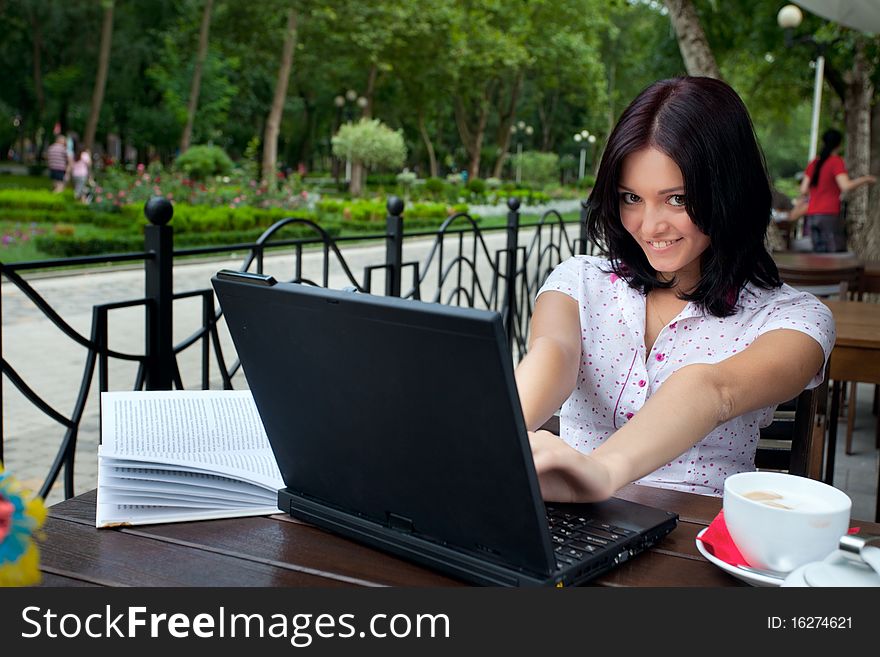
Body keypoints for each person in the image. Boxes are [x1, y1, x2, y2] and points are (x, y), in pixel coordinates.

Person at [515, 76, 835, 504]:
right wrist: (495, 442)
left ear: (729, 193)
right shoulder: (580, 280)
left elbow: (712, 389)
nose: (649, 226)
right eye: (631, 197)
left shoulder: (795, 320)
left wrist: (597, 473)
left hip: (693, 544)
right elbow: (552, 354)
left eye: (678, 199)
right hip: (569, 530)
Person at [799, 128, 876, 253]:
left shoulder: (814, 163)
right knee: (833, 255)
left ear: (823, 143)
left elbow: (803, 189)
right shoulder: (835, 161)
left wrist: (818, 192)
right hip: (829, 214)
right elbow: (845, 185)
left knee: (817, 254)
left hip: (812, 214)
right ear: (839, 145)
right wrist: (865, 179)